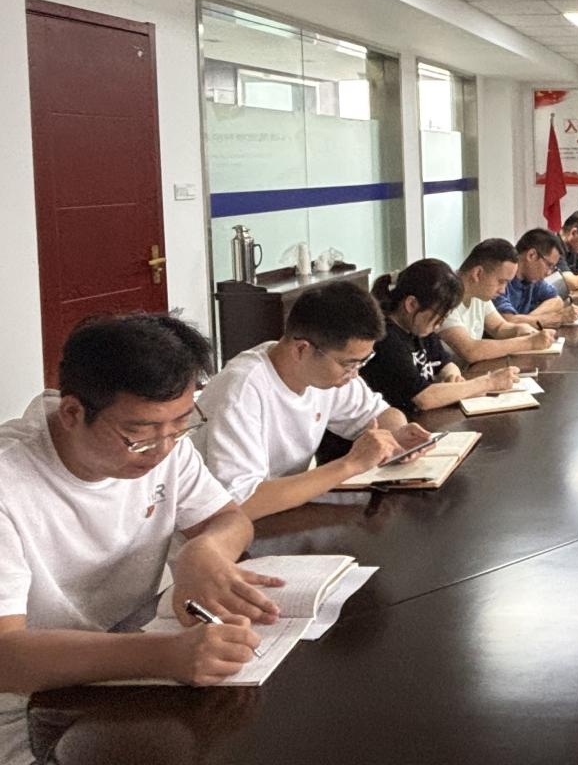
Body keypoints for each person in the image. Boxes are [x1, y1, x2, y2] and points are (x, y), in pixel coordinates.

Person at [0, 315, 280, 703]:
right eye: (138, 435)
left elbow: (228, 518)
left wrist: (204, 551)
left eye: (181, 424)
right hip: (32, 703)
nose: (163, 449)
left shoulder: (165, 441)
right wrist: (165, 655)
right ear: (72, 413)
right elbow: (6, 658)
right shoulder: (9, 483)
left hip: (129, 663)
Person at [198, 281, 435, 521]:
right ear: (302, 349)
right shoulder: (242, 390)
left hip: (283, 515)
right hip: (219, 530)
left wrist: (396, 435)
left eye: (362, 362)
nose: (355, 374)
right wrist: (349, 464)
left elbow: (382, 414)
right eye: (349, 364)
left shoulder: (324, 374)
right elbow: (240, 503)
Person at [362, 259, 519, 416]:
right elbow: (424, 398)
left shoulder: (419, 329)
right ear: (411, 304)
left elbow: (445, 362)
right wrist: (489, 382)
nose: (439, 325)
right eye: (438, 317)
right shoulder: (386, 339)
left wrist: (452, 375)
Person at [438, 239, 558, 365]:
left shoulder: (479, 292)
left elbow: (499, 327)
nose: (503, 290)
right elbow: (470, 350)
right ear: (478, 273)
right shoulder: (445, 295)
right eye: (501, 282)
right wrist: (530, 342)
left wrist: (522, 330)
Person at [496, 228, 578, 329]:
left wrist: (529, 319)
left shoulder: (533, 279)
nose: (549, 273)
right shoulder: (500, 279)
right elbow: (506, 322)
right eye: (549, 265)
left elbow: (556, 300)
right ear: (531, 255)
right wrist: (556, 318)